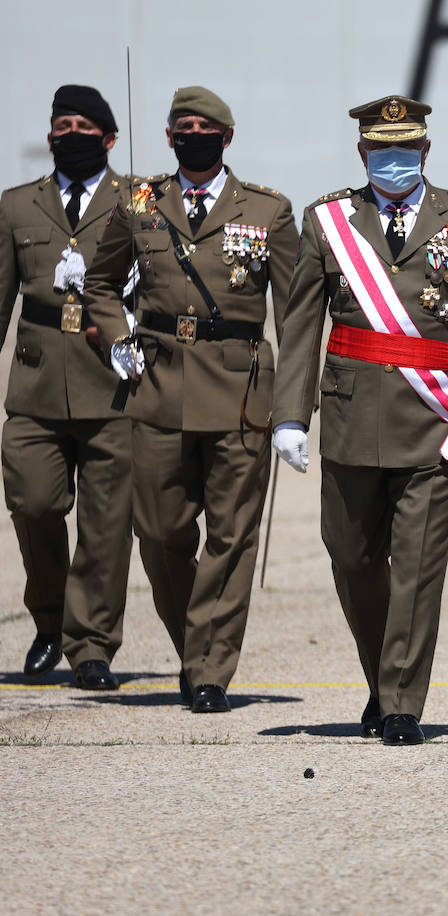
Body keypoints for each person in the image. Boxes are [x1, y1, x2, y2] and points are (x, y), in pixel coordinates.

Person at [271, 96, 448, 746]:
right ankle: (382, 684)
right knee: (352, 557)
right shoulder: (328, 221)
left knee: (416, 567)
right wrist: (289, 418)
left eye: (405, 149)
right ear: (362, 154)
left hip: (435, 423)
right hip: (352, 420)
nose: (393, 160)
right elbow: (301, 324)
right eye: (381, 151)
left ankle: (401, 705)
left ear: (426, 152)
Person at [84, 86, 298, 713]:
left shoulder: (267, 211)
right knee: (159, 532)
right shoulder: (139, 202)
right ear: (170, 135)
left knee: (232, 538)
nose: (192, 134)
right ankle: (194, 646)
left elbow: (294, 313)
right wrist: (118, 340)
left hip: (239, 391)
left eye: (205, 126)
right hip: (159, 387)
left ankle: (210, 670)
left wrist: (293, 406)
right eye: (182, 125)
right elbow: (99, 284)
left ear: (227, 138)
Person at [0, 86, 132, 689]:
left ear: (108, 138)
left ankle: (91, 647)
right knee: (33, 503)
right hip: (35, 385)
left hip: (113, 384)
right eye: (61, 124)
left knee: (107, 526)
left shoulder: (138, 201)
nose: (68, 133)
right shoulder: (17, 205)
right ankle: (50, 619)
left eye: (83, 125)